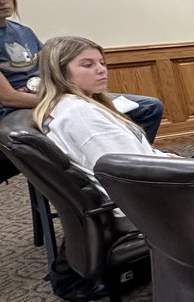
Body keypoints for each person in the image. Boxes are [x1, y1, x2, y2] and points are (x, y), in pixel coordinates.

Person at [0, 0, 163, 141]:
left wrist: (78, 94)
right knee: (90, 118)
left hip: (53, 95)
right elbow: (7, 96)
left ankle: (132, 162)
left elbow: (54, 68)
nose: (2, 1)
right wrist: (72, 102)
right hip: (18, 108)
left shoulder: (22, 31)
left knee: (148, 107)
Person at [32, 36, 173, 206]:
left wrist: (164, 158)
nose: (101, 70)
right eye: (88, 65)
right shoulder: (81, 115)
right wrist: (180, 171)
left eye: (102, 63)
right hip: (148, 206)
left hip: (146, 193)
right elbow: (128, 175)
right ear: (60, 71)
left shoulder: (68, 106)